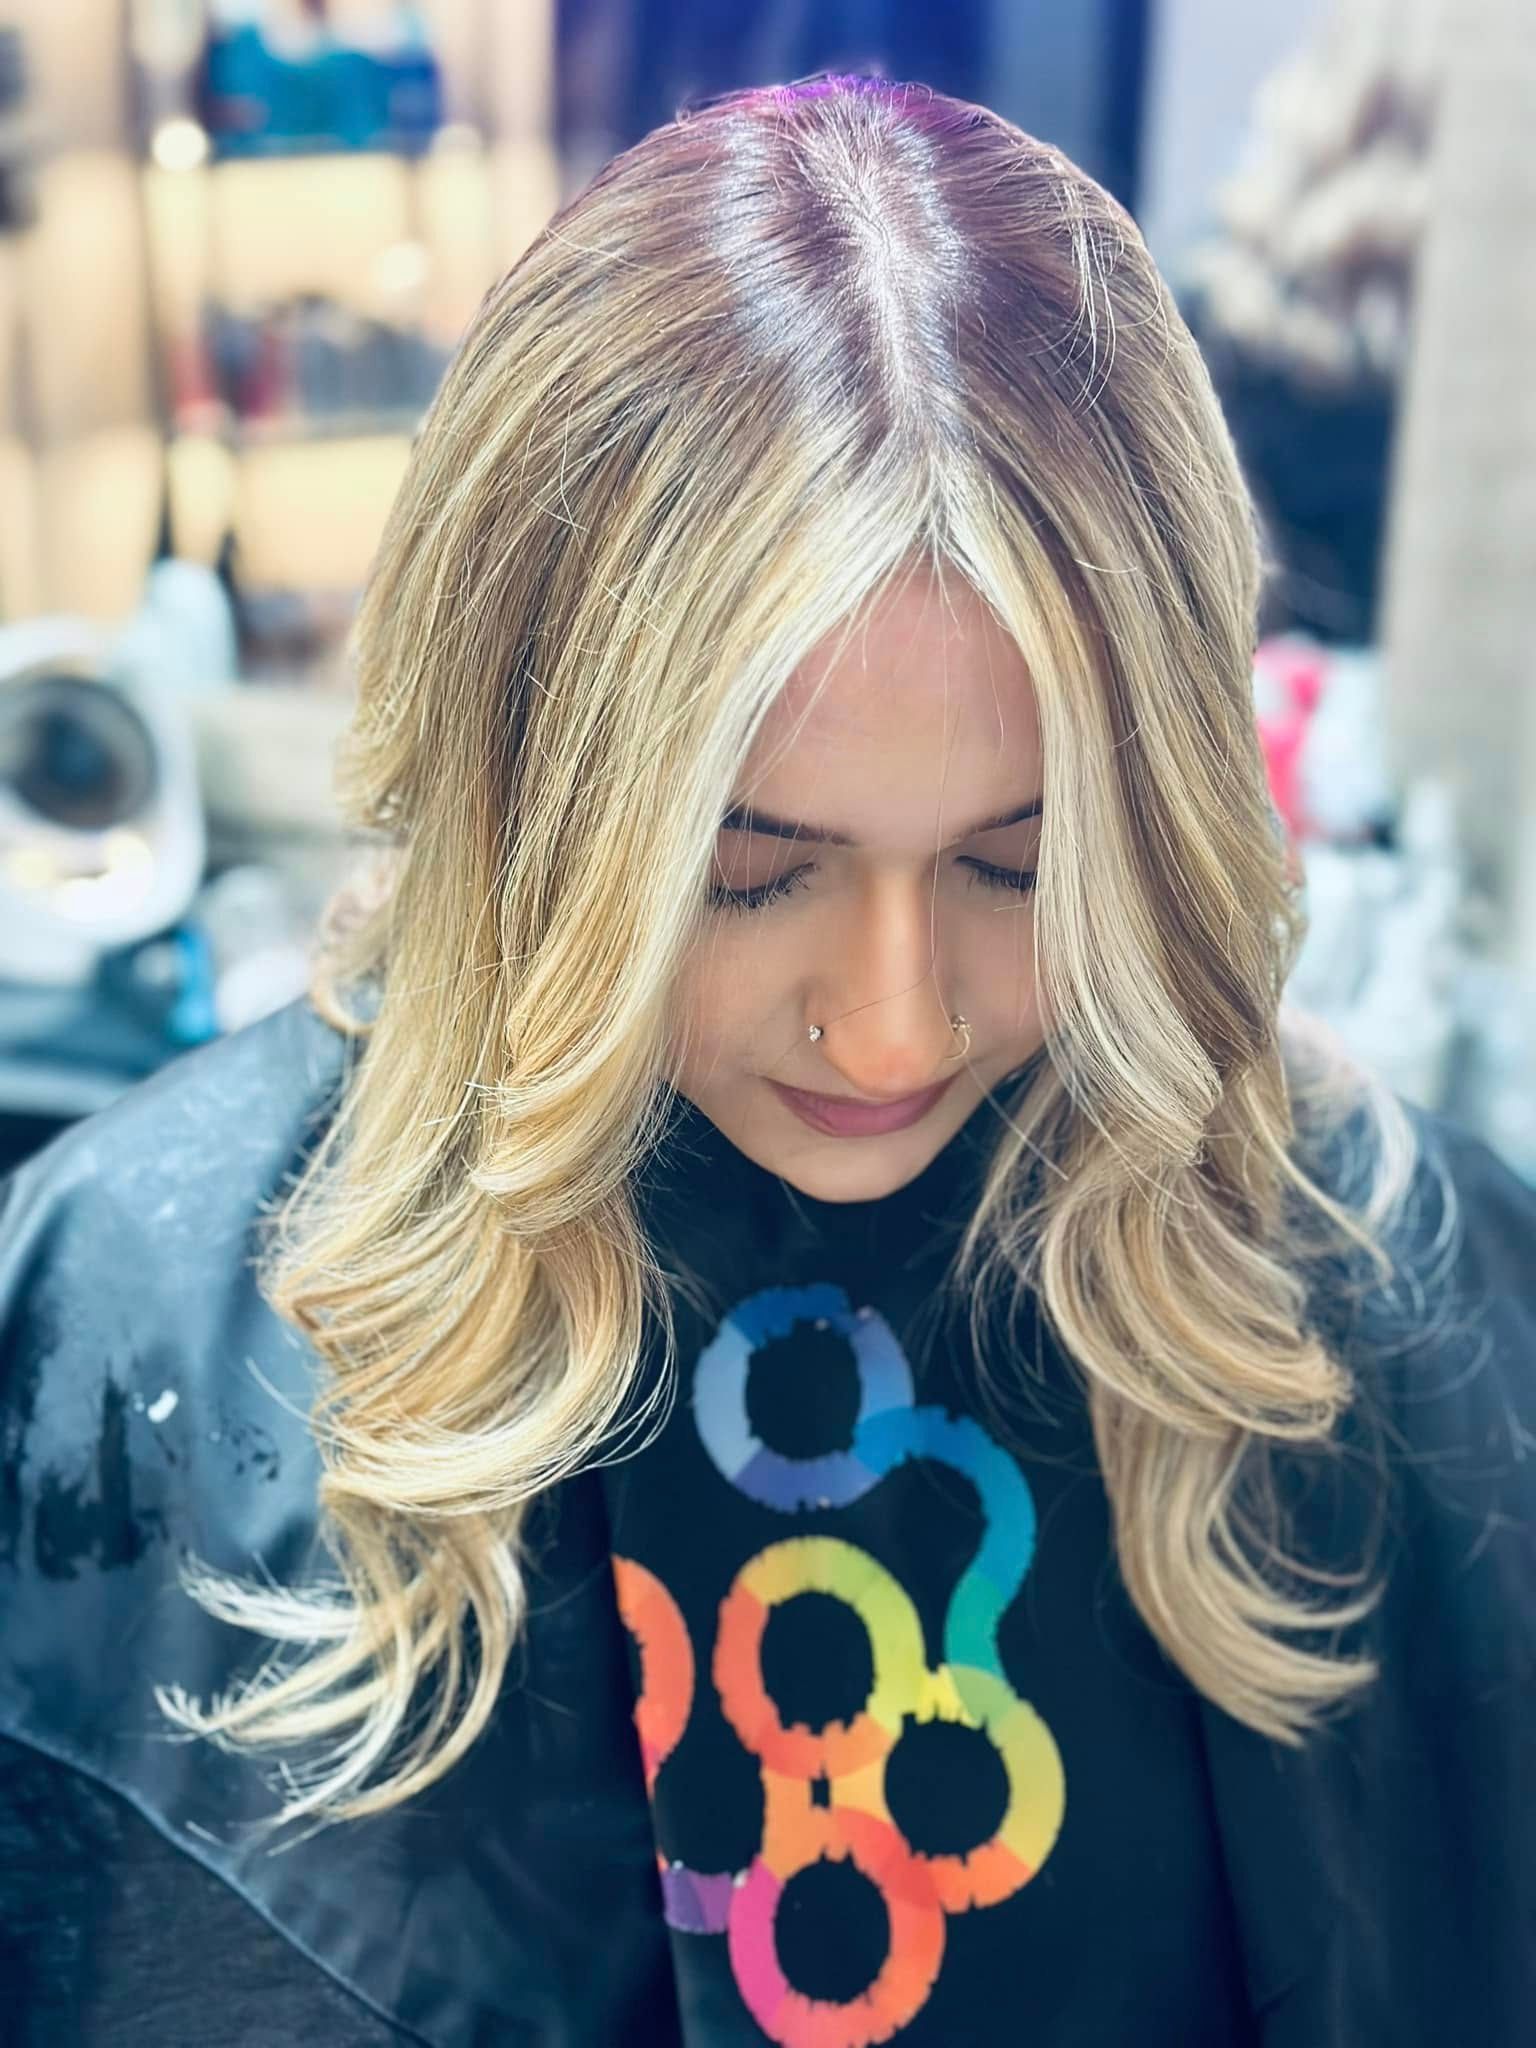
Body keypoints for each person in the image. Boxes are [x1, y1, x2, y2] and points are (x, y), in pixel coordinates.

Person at [1, 73, 1532, 2048]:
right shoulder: (123, 1306)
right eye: (746, 874)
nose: (891, 1023)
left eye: (1021, 866)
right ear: (519, 801)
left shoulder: (1414, 1288)